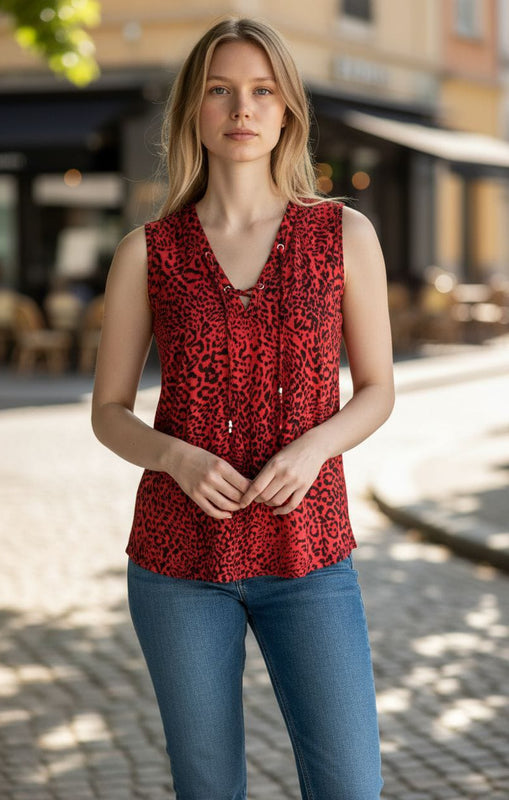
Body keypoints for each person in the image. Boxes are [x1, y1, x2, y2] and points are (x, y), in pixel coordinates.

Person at [91, 15, 394, 800]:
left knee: (350, 787)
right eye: (220, 91)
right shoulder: (147, 252)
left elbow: (377, 390)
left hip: (310, 554)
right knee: (207, 788)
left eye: (261, 91)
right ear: (193, 107)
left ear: (287, 108)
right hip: (176, 564)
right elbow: (110, 410)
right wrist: (174, 455)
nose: (242, 110)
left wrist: (314, 447)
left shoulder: (341, 234)